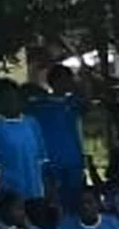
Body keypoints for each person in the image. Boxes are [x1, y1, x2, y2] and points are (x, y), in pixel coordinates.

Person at [0, 85, 50, 218]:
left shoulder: (32, 123)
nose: (11, 102)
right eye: (6, 99)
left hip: (35, 191)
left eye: (14, 98)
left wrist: (48, 188)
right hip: (11, 194)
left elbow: (42, 158)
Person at [29, 64, 89, 206]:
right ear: (54, 81)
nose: (68, 83)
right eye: (65, 79)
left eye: (69, 79)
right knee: (53, 201)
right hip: (50, 160)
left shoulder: (73, 103)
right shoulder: (39, 105)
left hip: (73, 159)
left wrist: (79, 84)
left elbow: (86, 103)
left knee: (74, 199)